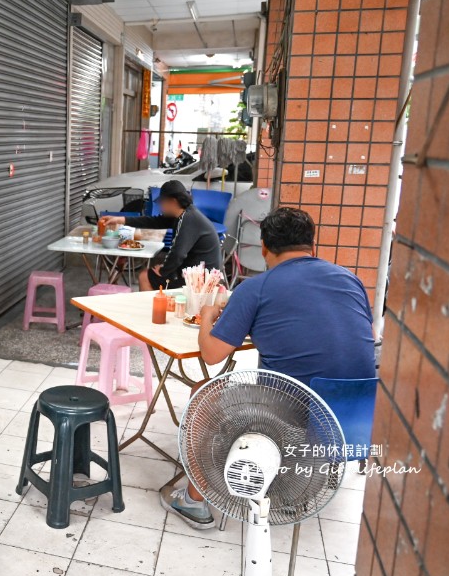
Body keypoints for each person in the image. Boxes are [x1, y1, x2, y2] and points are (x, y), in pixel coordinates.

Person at [160, 206, 376, 529]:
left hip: (302, 409)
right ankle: (290, 482)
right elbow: (361, 336)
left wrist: (208, 314)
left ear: (263, 249)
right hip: (359, 411)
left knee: (201, 394)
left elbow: (211, 354)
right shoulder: (351, 280)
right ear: (312, 246)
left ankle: (194, 501)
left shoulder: (255, 288)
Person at [100, 180, 221, 291]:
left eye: (162, 202)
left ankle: (151, 313)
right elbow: (153, 221)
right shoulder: (184, 214)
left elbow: (178, 253)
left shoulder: (187, 219)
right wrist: (121, 220)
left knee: (144, 277)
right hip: (196, 273)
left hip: (200, 280)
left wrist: (164, 270)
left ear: (172, 202)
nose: (160, 207)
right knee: (150, 274)